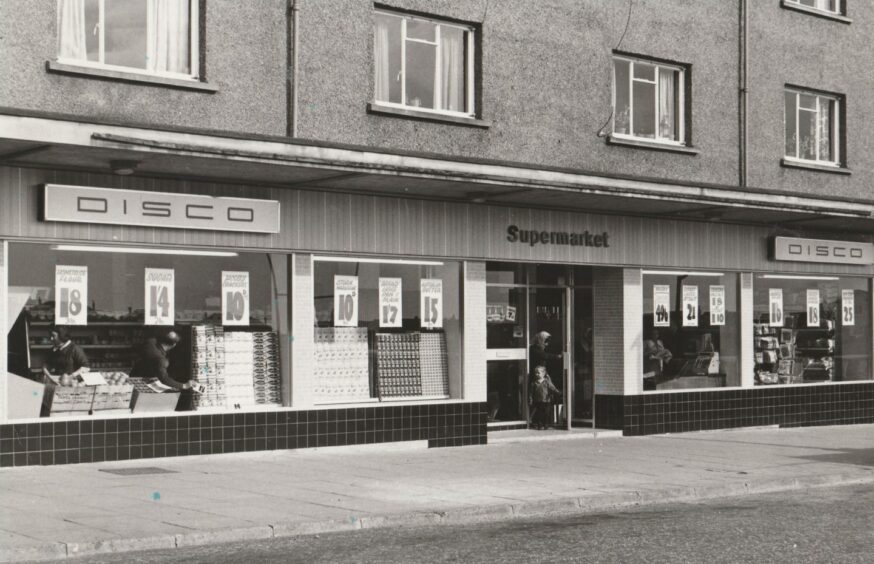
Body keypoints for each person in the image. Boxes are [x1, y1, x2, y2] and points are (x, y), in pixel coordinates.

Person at [131, 330, 197, 391]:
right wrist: (184, 385)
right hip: (144, 385)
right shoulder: (160, 360)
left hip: (133, 378)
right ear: (174, 345)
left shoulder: (150, 341)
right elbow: (164, 379)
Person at [529, 364, 559, 430]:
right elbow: (531, 392)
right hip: (538, 401)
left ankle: (546, 424)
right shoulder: (534, 383)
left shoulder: (547, 382)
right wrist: (530, 399)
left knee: (546, 413)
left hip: (546, 400)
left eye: (538, 373)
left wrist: (557, 392)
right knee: (539, 413)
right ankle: (539, 424)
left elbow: (552, 388)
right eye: (535, 373)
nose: (536, 374)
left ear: (543, 374)